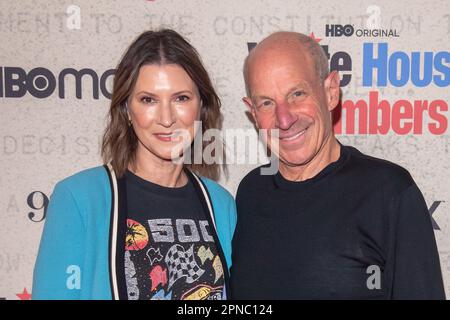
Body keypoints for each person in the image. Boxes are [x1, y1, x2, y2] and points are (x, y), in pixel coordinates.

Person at [230, 31, 445, 299]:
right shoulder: (251, 192)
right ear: (252, 111)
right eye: (266, 103)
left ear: (331, 92)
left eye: (297, 94)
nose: (283, 119)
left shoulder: (389, 193)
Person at [33, 29, 236, 300]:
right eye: (148, 100)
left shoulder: (220, 204)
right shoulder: (80, 198)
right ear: (127, 109)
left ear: (201, 106)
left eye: (181, 98)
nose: (166, 118)